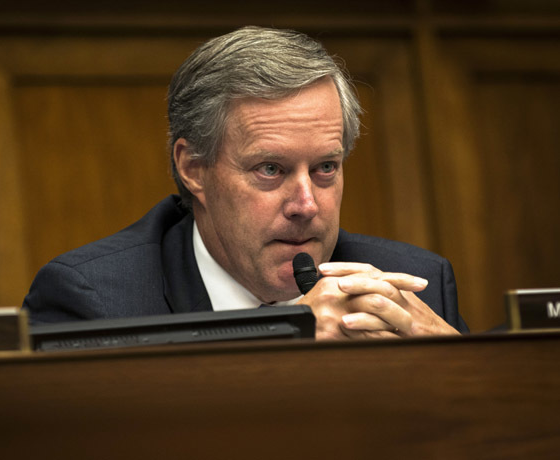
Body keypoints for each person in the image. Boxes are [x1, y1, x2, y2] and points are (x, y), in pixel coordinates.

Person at [23, 26, 468, 338]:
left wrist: (462, 368)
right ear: (193, 168)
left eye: (325, 168)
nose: (306, 204)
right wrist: (286, 342)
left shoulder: (412, 286)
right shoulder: (96, 301)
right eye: (270, 170)